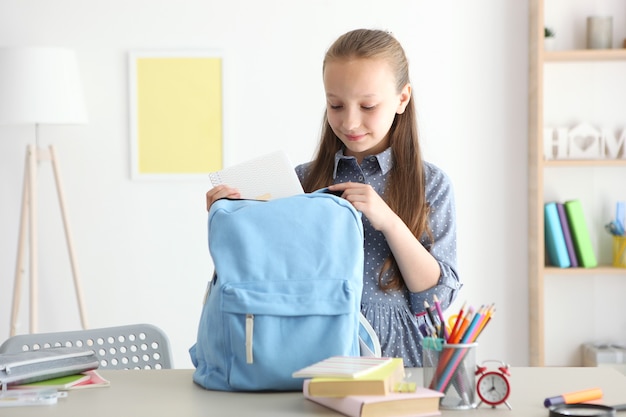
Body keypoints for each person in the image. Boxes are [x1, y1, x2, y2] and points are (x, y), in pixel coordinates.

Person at [206, 28, 460, 367]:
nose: (350, 121)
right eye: (336, 105)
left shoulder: (431, 183)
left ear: (402, 98)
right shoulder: (301, 180)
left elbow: (434, 298)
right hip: (314, 346)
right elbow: (265, 279)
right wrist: (231, 220)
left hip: (401, 354)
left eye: (368, 105)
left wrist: (388, 221)